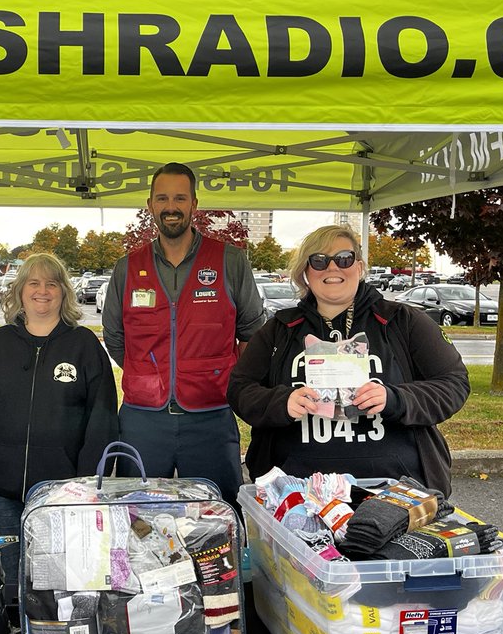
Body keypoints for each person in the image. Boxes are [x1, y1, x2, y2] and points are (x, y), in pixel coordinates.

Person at [227, 225, 470, 496]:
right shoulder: (279, 330)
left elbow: (454, 384)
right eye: (319, 261)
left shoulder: (403, 321)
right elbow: (240, 389)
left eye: (344, 258)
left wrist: (395, 399)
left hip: (396, 488)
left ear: (360, 266)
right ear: (305, 272)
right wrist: (282, 403)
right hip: (297, 492)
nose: (333, 268)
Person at [102, 162, 265, 504]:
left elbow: (252, 332)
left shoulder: (229, 261)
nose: (171, 207)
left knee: (218, 517)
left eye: (180, 198)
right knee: (138, 520)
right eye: (162, 198)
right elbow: (115, 337)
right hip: (143, 420)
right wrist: (150, 371)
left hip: (210, 417)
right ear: (150, 205)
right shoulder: (127, 267)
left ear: (194, 203)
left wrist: (224, 377)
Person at [0, 253, 118, 590]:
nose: (42, 291)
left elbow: (102, 416)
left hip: (63, 491)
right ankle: (17, 630)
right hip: (5, 485)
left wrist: (89, 481)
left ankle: (54, 633)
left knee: (59, 575)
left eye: (51, 283)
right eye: (33, 282)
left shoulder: (84, 345)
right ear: (19, 290)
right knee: (14, 572)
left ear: (64, 292)